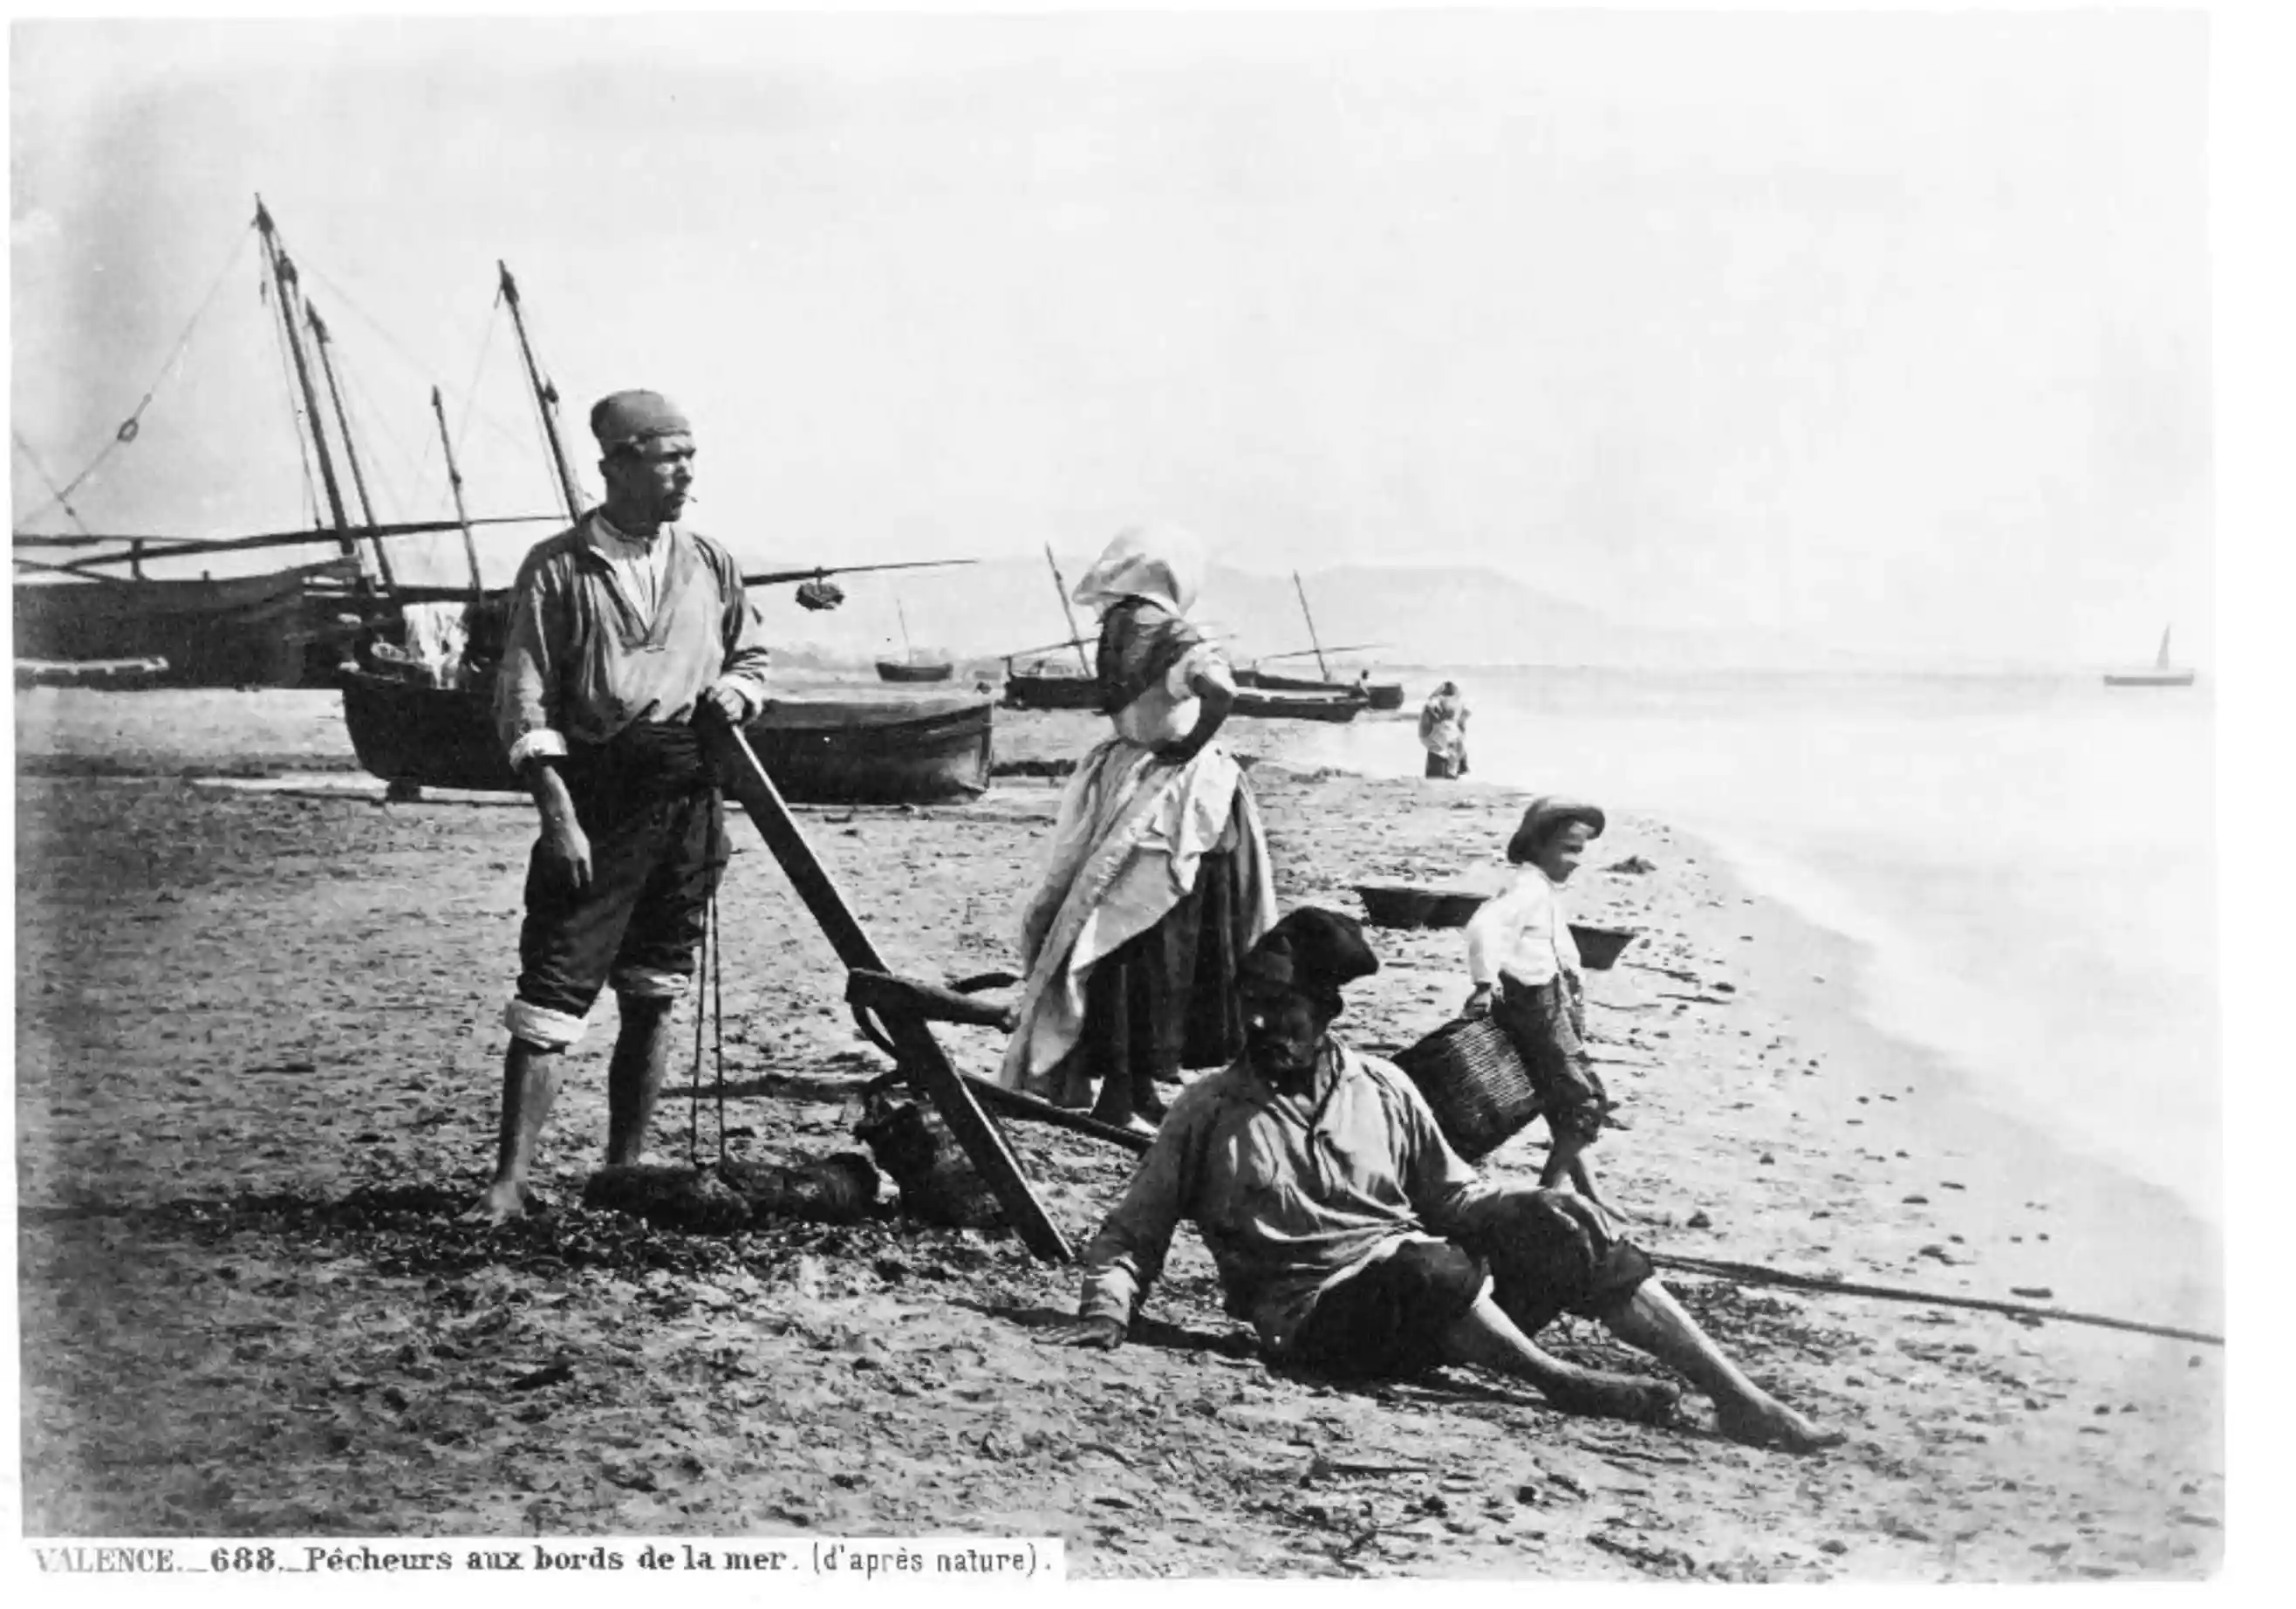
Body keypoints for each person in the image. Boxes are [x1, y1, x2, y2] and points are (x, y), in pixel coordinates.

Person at [1056, 908, 1838, 1452]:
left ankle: (1739, 1397)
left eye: (1283, 1009)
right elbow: (1133, 1232)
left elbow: (1455, 1199)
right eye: (1251, 1008)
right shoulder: (1207, 1113)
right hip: (1323, 1329)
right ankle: (1560, 1380)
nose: (1263, 1026)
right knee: (1428, 1264)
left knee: (1570, 1234)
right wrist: (1106, 1312)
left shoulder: (1385, 1091)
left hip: (1439, 1309)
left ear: (1327, 1010)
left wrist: (1540, 1201)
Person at [474, 389, 771, 1223]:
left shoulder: (709, 560)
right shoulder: (558, 567)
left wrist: (738, 694)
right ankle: (508, 1183)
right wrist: (557, 815)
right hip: (597, 799)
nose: (686, 475)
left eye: (690, 459)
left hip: (688, 795)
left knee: (654, 990)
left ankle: (624, 1170)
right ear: (617, 465)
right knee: (555, 988)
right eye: (669, 459)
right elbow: (524, 698)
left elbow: (751, 652)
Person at [997, 524, 1280, 1133]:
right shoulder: (1179, 634)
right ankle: (1129, 1089)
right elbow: (1222, 692)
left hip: (1123, 774)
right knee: (1160, 932)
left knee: (1105, 925)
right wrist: (1195, 743)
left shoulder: (1117, 627)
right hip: (1173, 792)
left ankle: (1127, 1086)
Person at [1463, 796, 1616, 1208]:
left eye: (1580, 850)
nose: (1576, 861)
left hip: (1547, 1004)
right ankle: (1548, 1191)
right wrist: (1483, 982)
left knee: (1560, 1100)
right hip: (1535, 1008)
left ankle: (1588, 1190)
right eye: (1569, 849)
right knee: (1585, 1101)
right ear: (1538, 845)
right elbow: (1483, 928)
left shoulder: (1538, 889)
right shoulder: (1526, 889)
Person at [1418, 680, 1469, 778]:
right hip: (1443, 749)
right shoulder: (1435, 709)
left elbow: (1424, 734)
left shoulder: (1432, 708)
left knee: (1439, 782)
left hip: (1441, 749)